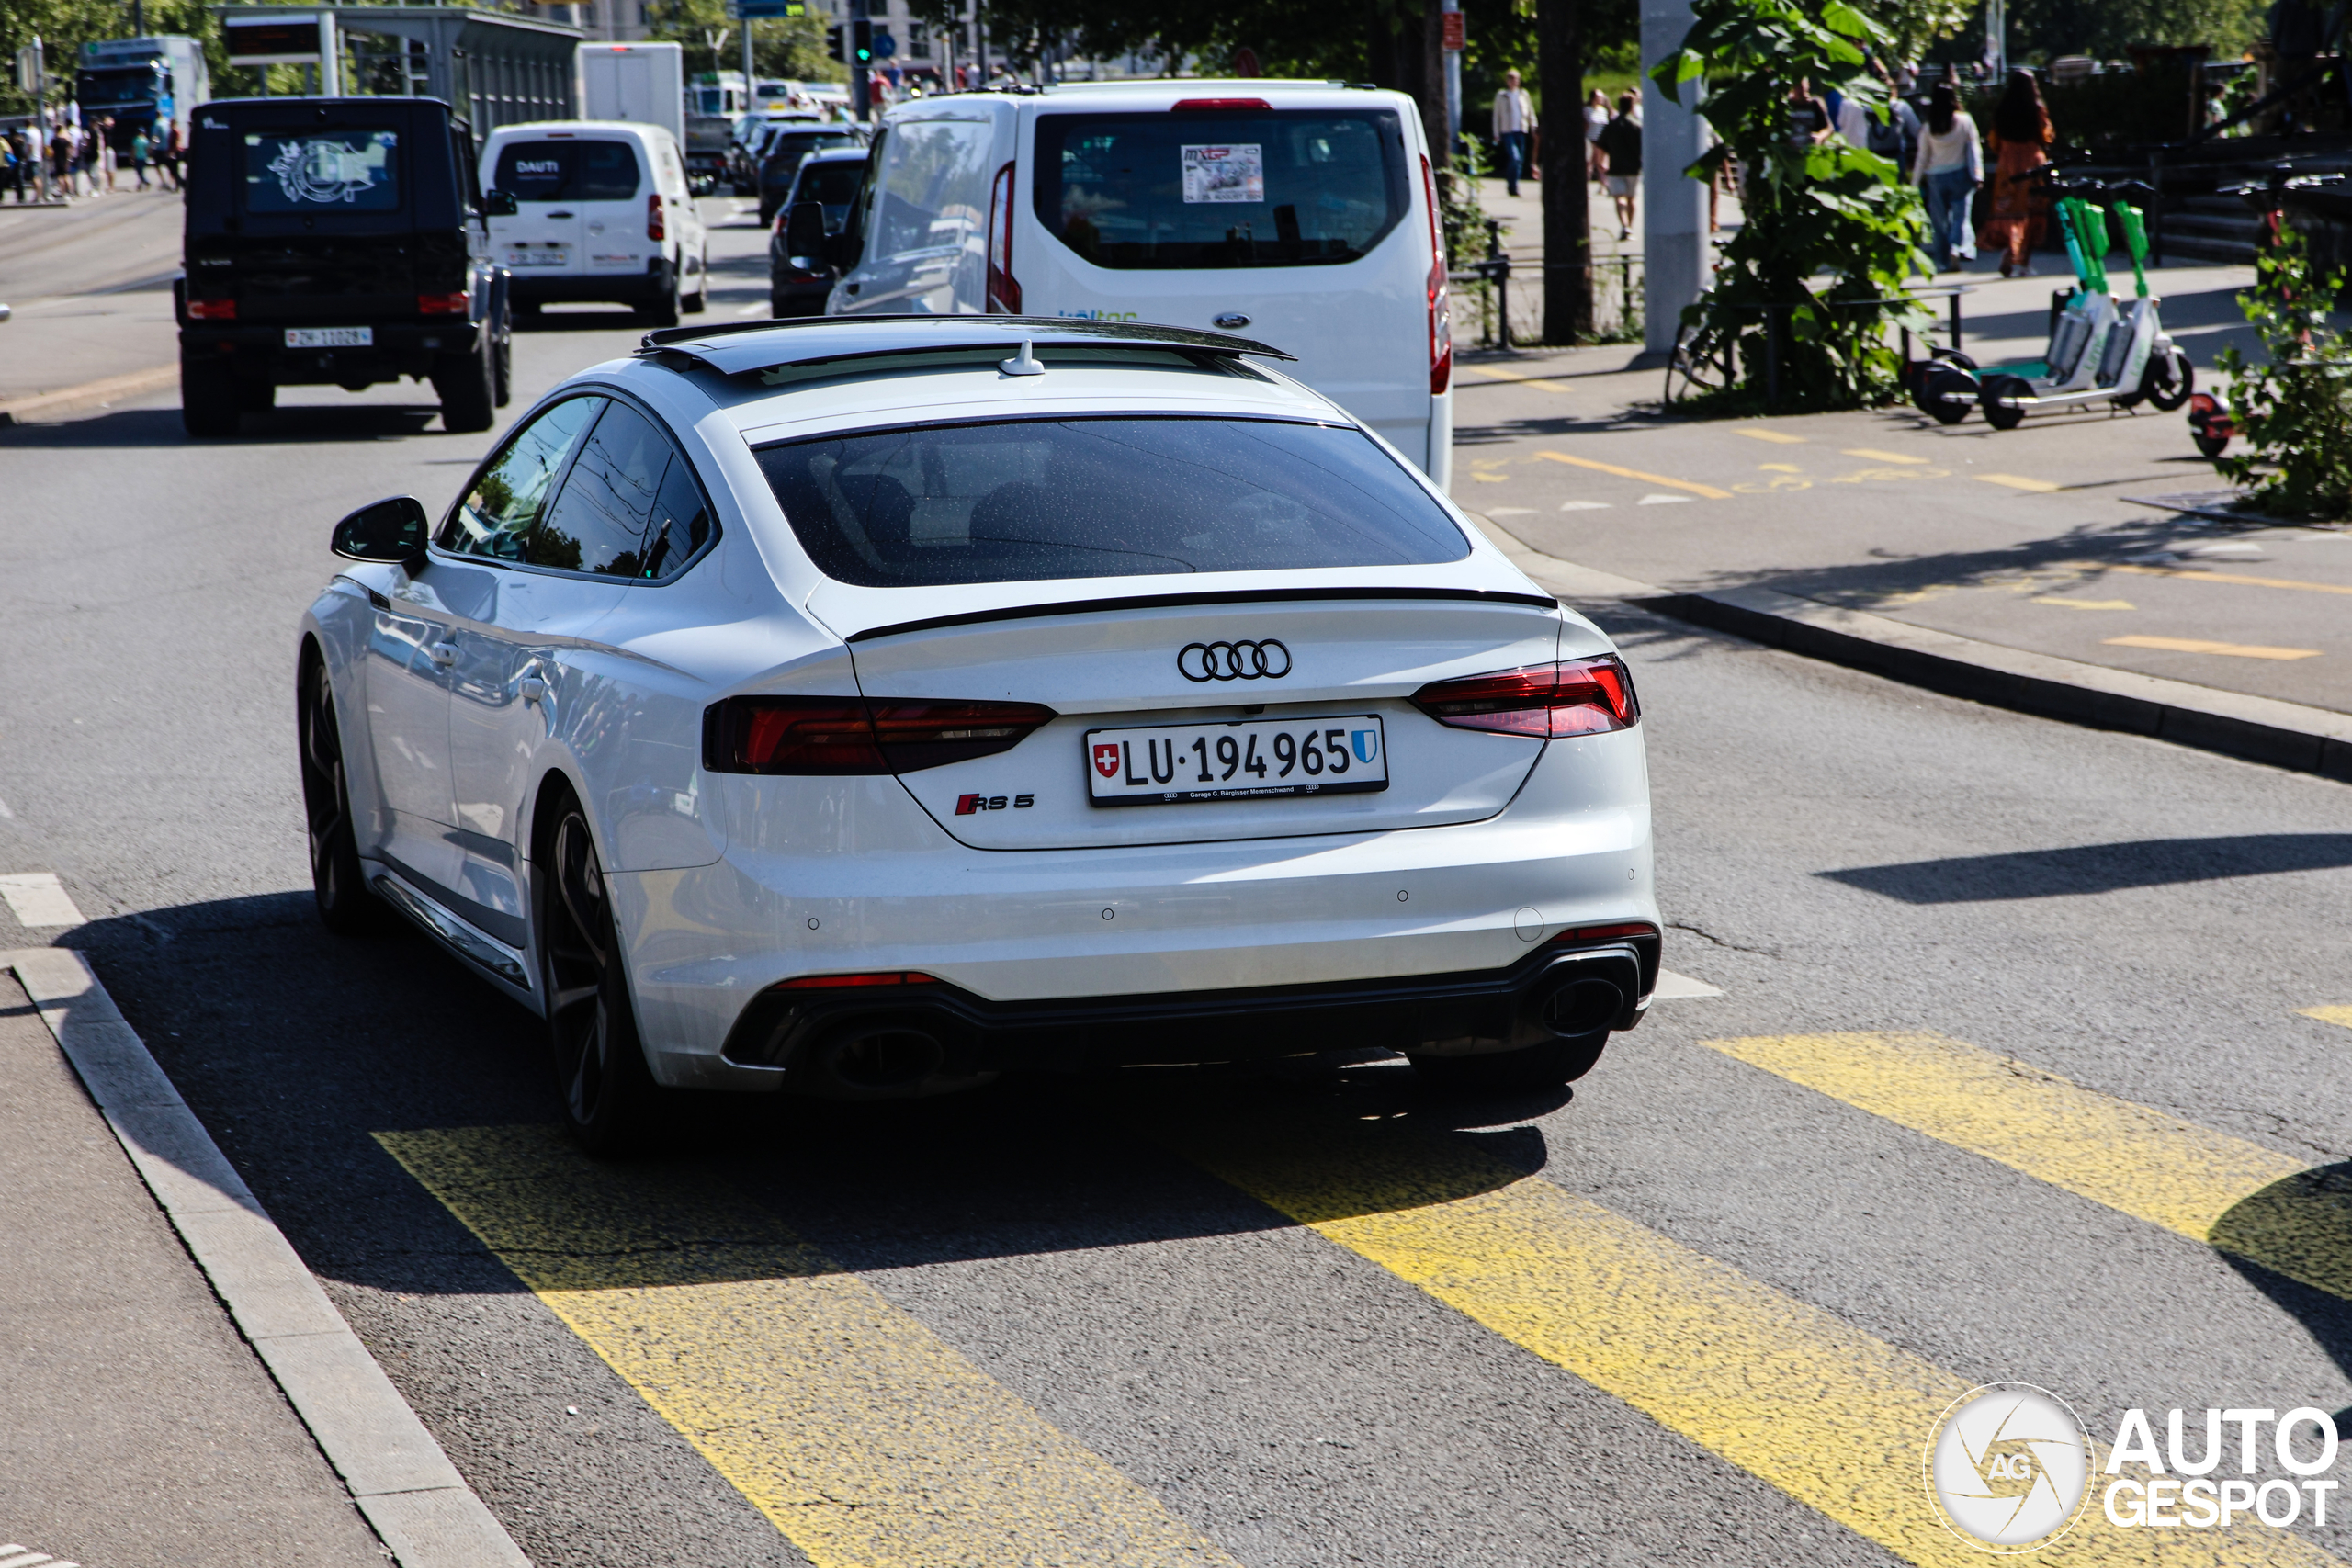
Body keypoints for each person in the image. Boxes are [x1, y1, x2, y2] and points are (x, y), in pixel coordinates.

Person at [1981, 70, 2051, 277]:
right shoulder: (2037, 109)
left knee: (2009, 211)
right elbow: (2046, 136)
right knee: (2031, 213)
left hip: (2008, 164)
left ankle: (2009, 251)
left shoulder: (2003, 109)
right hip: (2032, 163)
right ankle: (2024, 263)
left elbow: (1994, 140)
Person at [1911, 81, 1981, 272]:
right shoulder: (1965, 120)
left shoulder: (1928, 127)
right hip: (1960, 173)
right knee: (1961, 216)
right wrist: (1978, 174)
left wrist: (1914, 183)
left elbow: (1922, 157)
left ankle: (1941, 261)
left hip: (1936, 176)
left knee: (1939, 220)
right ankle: (1956, 247)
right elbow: (1974, 149)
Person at [1597, 91, 1642, 241]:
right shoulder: (1637, 125)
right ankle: (1631, 226)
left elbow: (1601, 145)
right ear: (1632, 106)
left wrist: (1601, 162)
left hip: (1615, 167)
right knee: (1631, 198)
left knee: (1619, 198)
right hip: (1634, 167)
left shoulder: (1612, 125)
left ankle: (1624, 225)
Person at [1492, 69, 1537, 198]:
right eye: (1510, 78)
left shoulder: (1523, 94)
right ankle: (1512, 185)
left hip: (1521, 130)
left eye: (1515, 79)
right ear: (1507, 81)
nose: (1513, 81)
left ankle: (1514, 185)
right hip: (1507, 131)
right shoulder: (1501, 95)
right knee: (1514, 158)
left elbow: (1530, 111)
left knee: (1520, 161)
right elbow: (1496, 116)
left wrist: (1533, 125)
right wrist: (1496, 133)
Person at [1585, 88, 1611, 183]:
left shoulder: (1603, 111)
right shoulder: (1587, 110)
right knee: (1589, 164)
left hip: (1601, 140)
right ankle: (1586, 184)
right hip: (1590, 139)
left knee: (1602, 164)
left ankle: (1603, 185)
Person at [130, 126, 151, 190]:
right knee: (141, 171)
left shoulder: (136, 140)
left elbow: (134, 149)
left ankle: (146, 181)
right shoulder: (145, 140)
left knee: (139, 172)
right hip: (144, 157)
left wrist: (132, 157)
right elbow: (148, 150)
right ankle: (140, 185)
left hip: (138, 157)